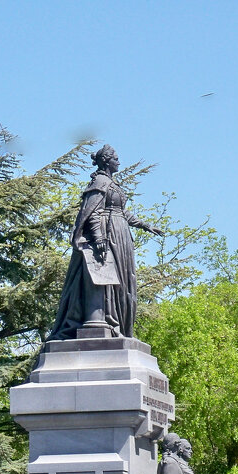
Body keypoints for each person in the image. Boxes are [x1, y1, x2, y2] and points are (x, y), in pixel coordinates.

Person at [49, 144, 165, 340]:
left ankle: (116, 322)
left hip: (120, 234)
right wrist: (99, 237)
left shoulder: (111, 184)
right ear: (106, 161)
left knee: (123, 279)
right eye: (115, 158)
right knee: (106, 279)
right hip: (108, 233)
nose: (118, 161)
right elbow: (92, 213)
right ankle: (105, 321)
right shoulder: (100, 183)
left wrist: (145, 225)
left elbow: (122, 212)